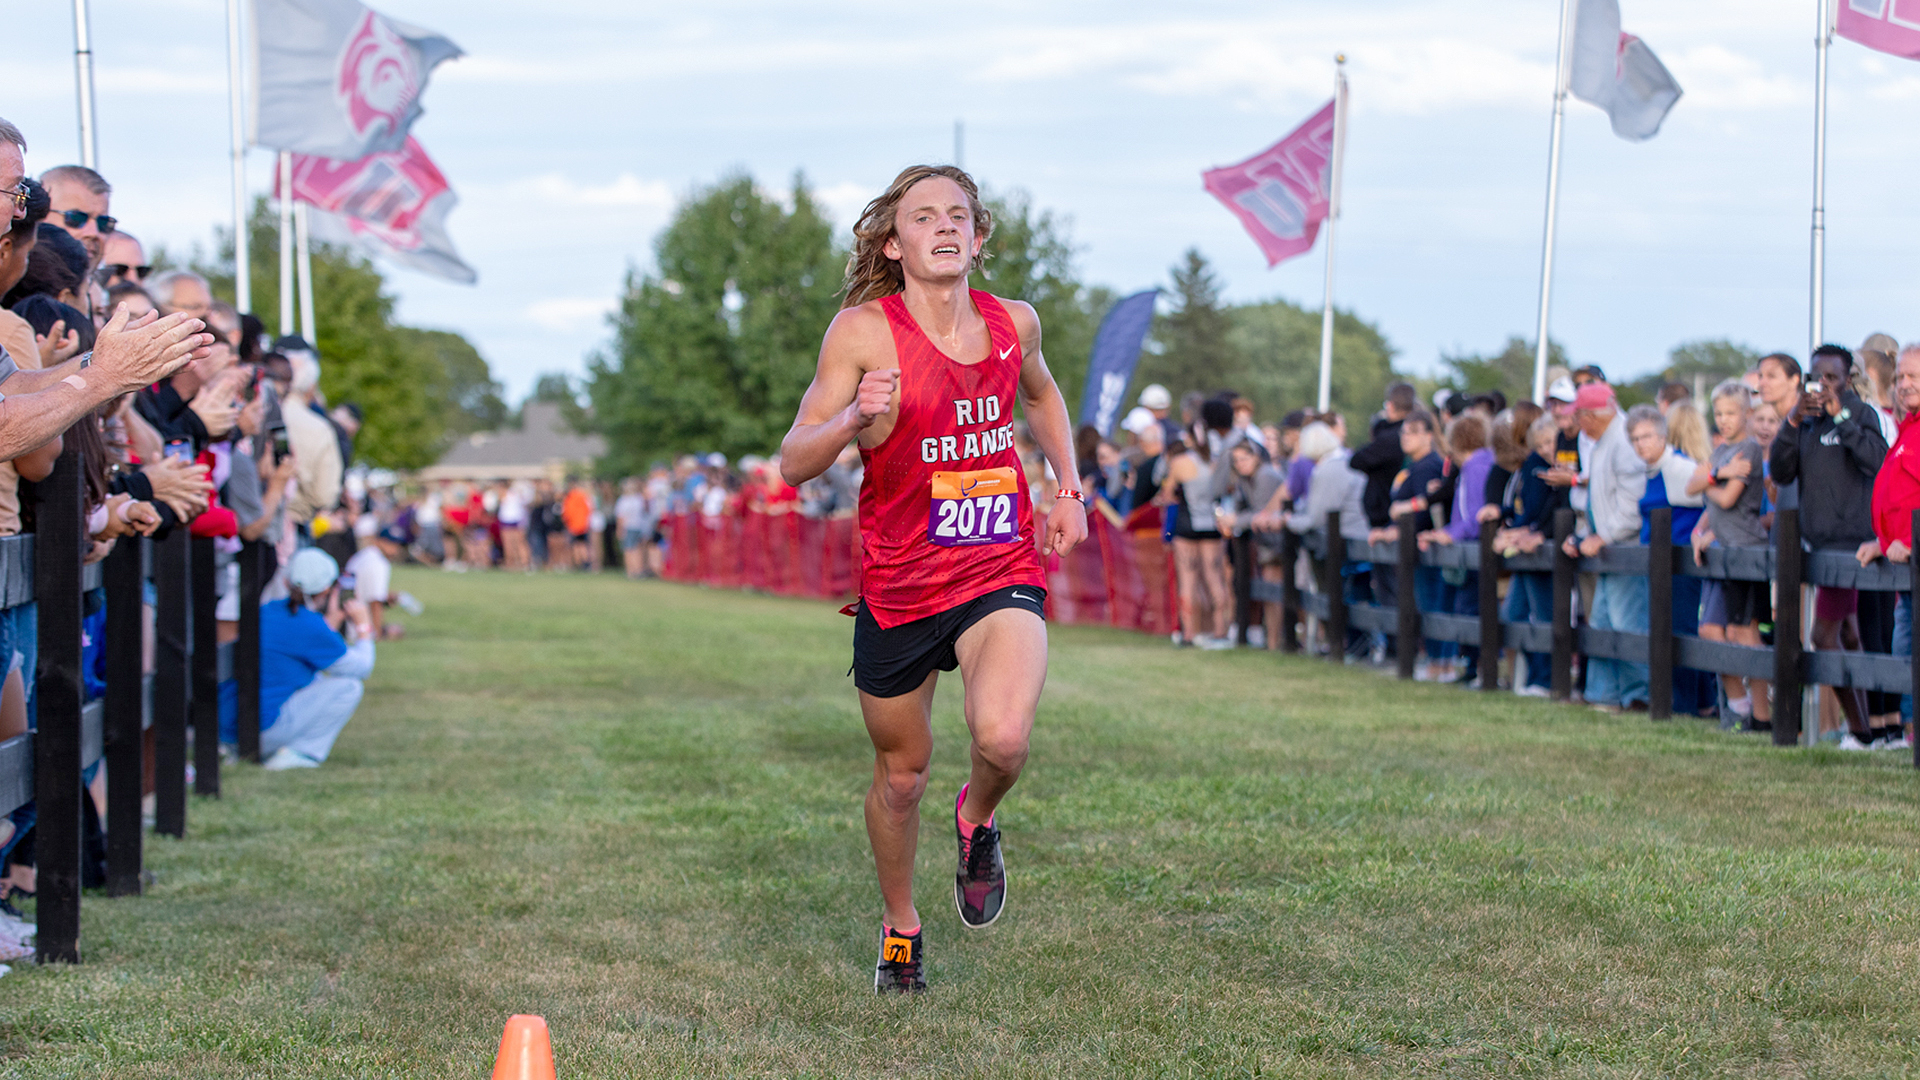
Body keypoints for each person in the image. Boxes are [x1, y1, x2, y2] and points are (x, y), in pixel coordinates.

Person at [776, 164, 1085, 993]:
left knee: (1003, 738)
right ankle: (901, 928)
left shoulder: (1016, 322)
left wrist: (1068, 488)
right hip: (902, 585)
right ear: (895, 241)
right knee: (902, 775)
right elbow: (793, 461)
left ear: (978, 240)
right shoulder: (861, 334)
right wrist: (850, 420)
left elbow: (1045, 400)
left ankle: (978, 816)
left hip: (996, 568)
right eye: (923, 217)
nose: (944, 227)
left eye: (959, 216)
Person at [1773, 346, 1888, 749]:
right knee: (1849, 636)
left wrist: (1840, 415)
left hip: (1850, 545)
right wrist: (1792, 420)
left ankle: (1859, 732)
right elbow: (1779, 470)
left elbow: (1878, 461)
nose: (1822, 386)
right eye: (1816, 378)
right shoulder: (1805, 422)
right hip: (1815, 544)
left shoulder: (1860, 414)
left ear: (1847, 378)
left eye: (1831, 378)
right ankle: (1869, 729)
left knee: (1823, 637)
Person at [1688, 380, 1771, 732]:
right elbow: (1692, 486)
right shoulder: (1722, 454)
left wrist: (1710, 480)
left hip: (1746, 550)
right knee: (1710, 629)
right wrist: (1717, 474)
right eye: (1718, 413)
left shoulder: (1749, 450)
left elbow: (1726, 499)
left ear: (1747, 414)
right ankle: (1739, 705)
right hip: (1721, 550)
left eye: (1731, 413)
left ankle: (1762, 715)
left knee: (1745, 634)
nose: (1723, 420)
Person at [1561, 384, 1649, 713]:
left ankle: (1638, 695)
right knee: (1602, 620)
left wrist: (1605, 535)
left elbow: (1631, 503)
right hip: (1607, 546)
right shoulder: (1603, 442)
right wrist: (1586, 535)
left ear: (1590, 415)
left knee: (1628, 622)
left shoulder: (1623, 442)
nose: (1579, 425)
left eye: (1580, 417)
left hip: (1623, 547)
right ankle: (1604, 694)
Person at [257, 549, 375, 770]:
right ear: (328, 590)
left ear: (285, 580)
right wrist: (363, 626)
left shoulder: (266, 611)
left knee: (317, 679)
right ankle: (301, 753)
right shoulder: (309, 625)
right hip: (264, 730)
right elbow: (361, 668)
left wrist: (331, 621)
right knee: (349, 687)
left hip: (232, 728)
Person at [1630, 406, 1709, 717]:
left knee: (1682, 630)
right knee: (1669, 628)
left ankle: (1688, 703)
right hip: (1660, 566)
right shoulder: (1650, 470)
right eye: (1635, 438)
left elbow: (1707, 498)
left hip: (1682, 566)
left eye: (1647, 436)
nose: (1641, 444)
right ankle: (1696, 702)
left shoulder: (1677, 468)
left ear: (1662, 436)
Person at [1865, 343, 1920, 747]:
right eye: (1900, 376)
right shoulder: (1909, 428)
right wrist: (1883, 541)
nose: (1903, 384)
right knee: (1903, 652)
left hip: (1914, 559)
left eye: (1913, 376)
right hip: (1903, 567)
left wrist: (1912, 542)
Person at [1494, 415, 1568, 696]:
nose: (1548, 449)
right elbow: (1533, 510)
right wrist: (1516, 529)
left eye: (1551, 441)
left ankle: (1545, 679)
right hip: (1531, 547)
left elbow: (1549, 511)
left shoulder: (1563, 469)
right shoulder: (1538, 467)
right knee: (1514, 614)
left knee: (1545, 615)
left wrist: (1529, 531)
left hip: (1544, 550)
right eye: (1542, 445)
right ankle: (1530, 677)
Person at [1417, 413, 1493, 684]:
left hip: (1473, 548)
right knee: (1468, 606)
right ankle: (1471, 667)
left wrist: (1451, 534)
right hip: (1469, 546)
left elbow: (1472, 513)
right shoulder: (1478, 465)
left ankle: (1476, 667)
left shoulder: (1475, 467)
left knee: (1470, 608)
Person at [1373, 409, 1447, 679]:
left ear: (1429, 435)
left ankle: (1442, 662)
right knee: (1421, 602)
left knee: (1433, 603)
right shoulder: (1412, 465)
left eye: (1413, 432)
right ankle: (1435, 661)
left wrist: (1402, 518)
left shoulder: (1429, 465)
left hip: (1429, 545)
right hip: (1411, 543)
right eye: (1404, 431)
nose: (1406, 437)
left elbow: (1427, 505)